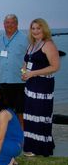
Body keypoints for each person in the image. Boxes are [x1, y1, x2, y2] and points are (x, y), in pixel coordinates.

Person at [21, 18, 60, 157]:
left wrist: (33, 73)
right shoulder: (31, 44)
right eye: (33, 28)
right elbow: (26, 62)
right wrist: (24, 72)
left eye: (38, 28)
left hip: (43, 86)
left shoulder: (48, 44)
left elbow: (55, 67)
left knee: (40, 115)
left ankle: (41, 147)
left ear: (44, 29)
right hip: (30, 84)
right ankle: (31, 145)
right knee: (30, 115)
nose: (36, 31)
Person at [0, 14, 28, 128]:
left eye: (12, 22)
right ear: (4, 24)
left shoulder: (25, 39)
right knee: (5, 112)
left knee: (20, 112)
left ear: (17, 24)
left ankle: (22, 138)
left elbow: (30, 59)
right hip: (3, 81)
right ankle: (8, 136)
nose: (9, 25)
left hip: (19, 81)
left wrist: (26, 74)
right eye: (7, 23)